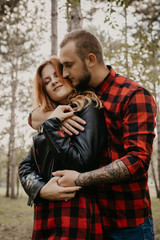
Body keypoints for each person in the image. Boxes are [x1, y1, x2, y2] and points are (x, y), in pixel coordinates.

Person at [31, 29, 157, 240]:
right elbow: (33, 116)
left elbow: (137, 160)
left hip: (127, 221)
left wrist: (80, 179)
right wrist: (52, 117)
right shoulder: (79, 96)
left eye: (68, 66)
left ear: (90, 59)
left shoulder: (134, 95)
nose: (65, 74)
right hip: (90, 221)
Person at [19, 55, 108, 240]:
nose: (54, 82)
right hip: (45, 209)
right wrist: (40, 190)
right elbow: (26, 166)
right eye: (47, 81)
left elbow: (82, 162)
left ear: (68, 74)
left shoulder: (88, 107)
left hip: (74, 209)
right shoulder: (48, 121)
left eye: (57, 74)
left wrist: (51, 126)